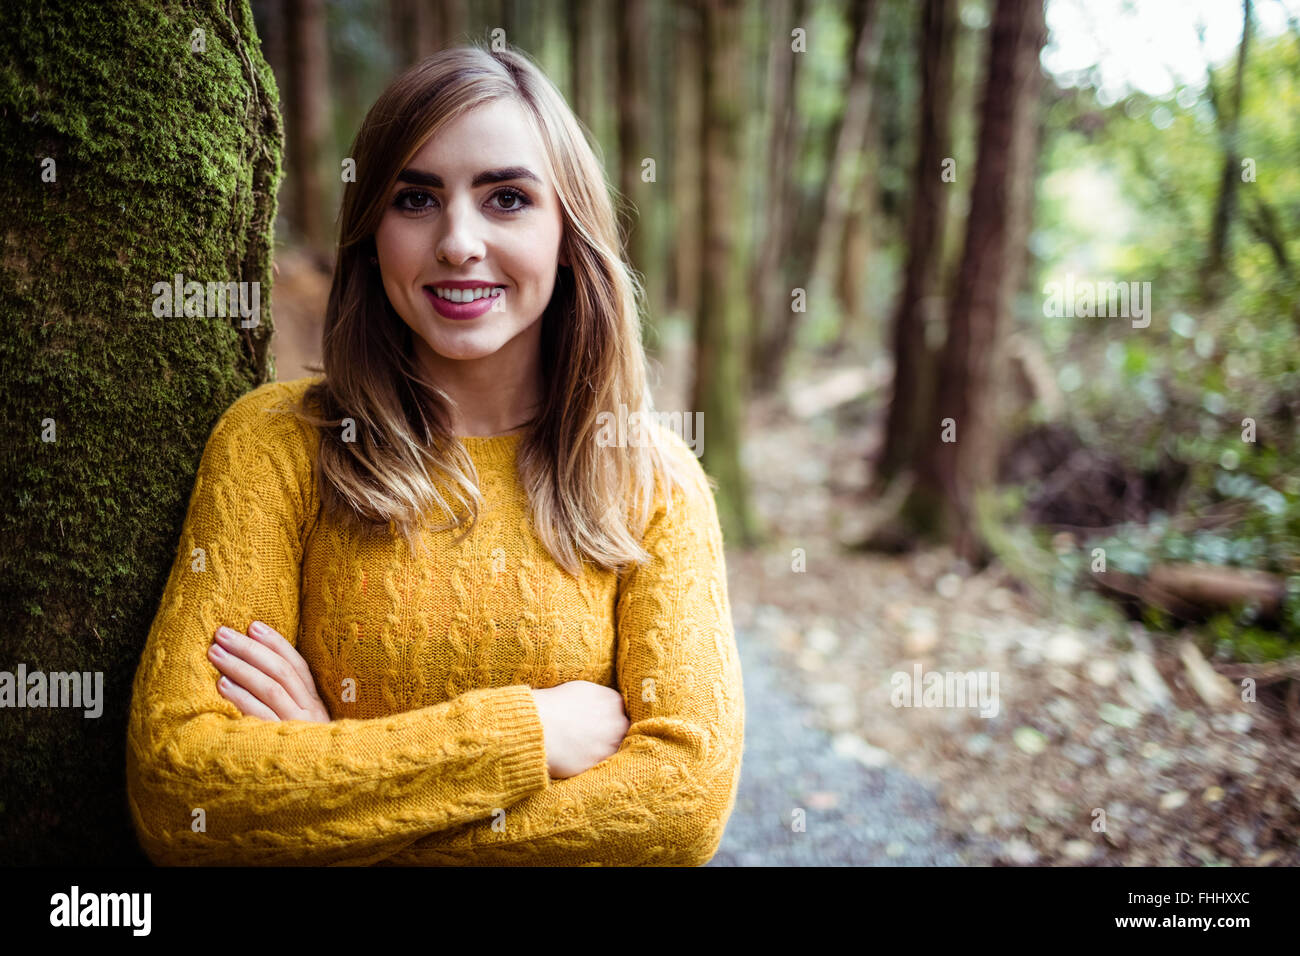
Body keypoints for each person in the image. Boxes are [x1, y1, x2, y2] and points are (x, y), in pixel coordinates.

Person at [125, 43, 745, 866]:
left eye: (508, 199)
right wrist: (526, 735)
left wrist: (327, 782)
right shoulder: (277, 446)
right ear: (372, 229)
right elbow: (181, 790)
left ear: (568, 231)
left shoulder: (653, 479)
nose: (457, 242)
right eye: (416, 198)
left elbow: (679, 810)